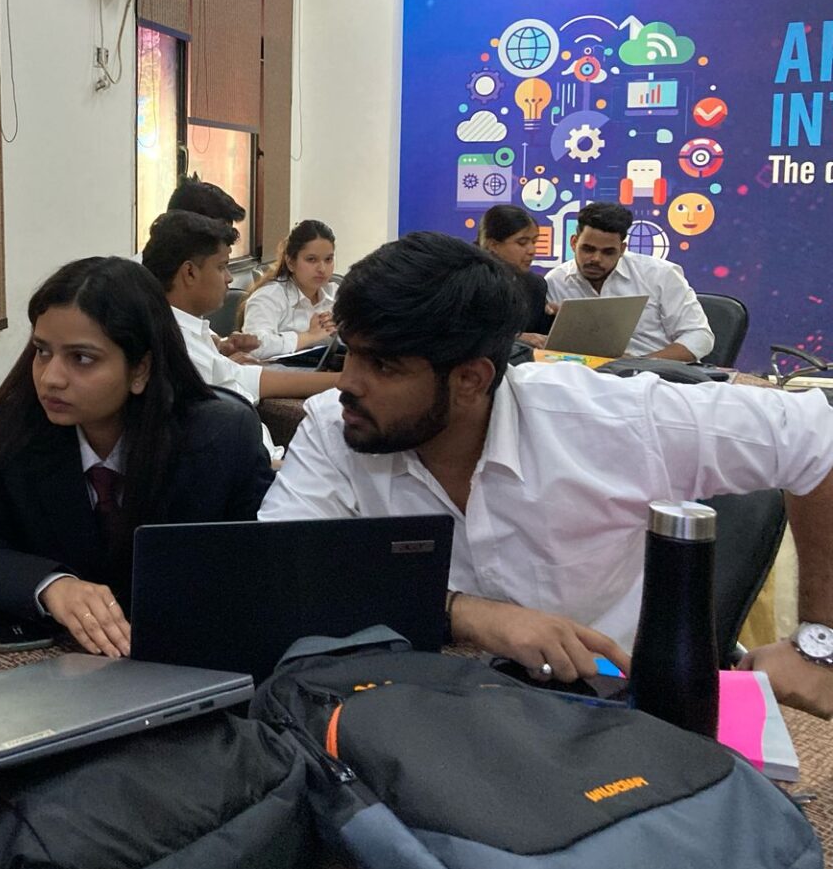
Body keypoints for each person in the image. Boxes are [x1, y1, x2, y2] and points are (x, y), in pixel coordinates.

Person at [259, 232, 833, 717]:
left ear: (471, 380)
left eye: (383, 365)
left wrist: (817, 644)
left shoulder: (608, 419)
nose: (348, 383)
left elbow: (819, 436)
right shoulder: (336, 425)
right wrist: (464, 612)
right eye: (349, 354)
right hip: (423, 716)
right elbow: (281, 570)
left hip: (612, 714)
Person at [0, 257, 272, 658]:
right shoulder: (20, 430)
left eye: (82, 358)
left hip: (194, 659)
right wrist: (51, 585)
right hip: (61, 664)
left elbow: (263, 572)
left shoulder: (220, 439)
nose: (51, 378)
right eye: (42, 351)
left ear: (140, 369)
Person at [142, 212, 339, 458]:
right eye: (222, 266)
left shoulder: (192, 331)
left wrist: (342, 380)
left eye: (329, 259)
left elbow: (246, 377)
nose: (230, 278)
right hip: (252, 469)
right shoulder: (176, 345)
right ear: (189, 273)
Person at [545, 202, 713, 361]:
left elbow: (699, 336)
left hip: (658, 373)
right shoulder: (555, 282)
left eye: (608, 252)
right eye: (588, 249)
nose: (596, 259)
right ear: (574, 243)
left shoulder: (660, 274)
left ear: (622, 249)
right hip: (585, 374)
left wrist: (641, 363)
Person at [234, 219, 339, 360]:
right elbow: (255, 347)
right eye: (311, 260)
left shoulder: (335, 293)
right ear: (290, 263)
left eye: (328, 259)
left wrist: (343, 332)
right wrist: (309, 336)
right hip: (275, 372)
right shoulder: (269, 295)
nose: (322, 269)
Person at [476, 203, 555, 344]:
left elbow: (543, 338)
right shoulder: (466, 282)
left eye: (534, 242)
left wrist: (558, 318)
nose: (532, 250)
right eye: (522, 243)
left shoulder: (536, 286)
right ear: (493, 245)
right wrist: (517, 338)